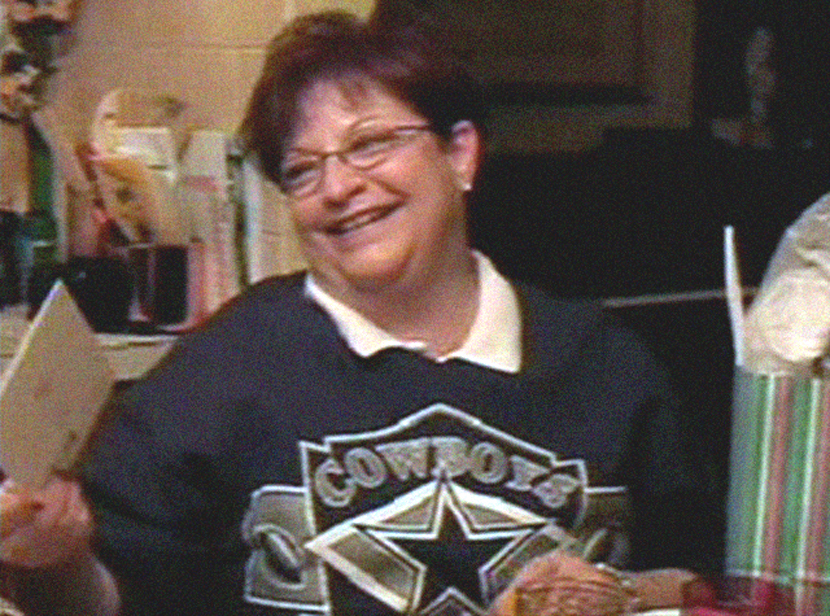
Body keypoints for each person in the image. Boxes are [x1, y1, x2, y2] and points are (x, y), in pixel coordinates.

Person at [0, 9, 717, 616]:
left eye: (370, 144)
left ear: (460, 154)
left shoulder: (603, 363)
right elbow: (102, 598)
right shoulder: (227, 368)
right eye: (302, 170)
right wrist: (52, 557)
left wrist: (620, 594)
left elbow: (703, 582)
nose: (338, 187)